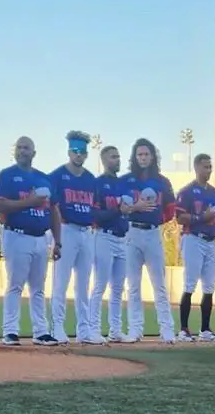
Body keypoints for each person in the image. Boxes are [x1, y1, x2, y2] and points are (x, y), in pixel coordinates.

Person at [0, 136, 61, 346]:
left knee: (38, 288)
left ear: (34, 153)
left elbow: (54, 211)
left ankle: (41, 331)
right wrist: (28, 202)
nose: (23, 151)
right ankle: (10, 331)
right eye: (20, 148)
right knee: (15, 285)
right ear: (15, 152)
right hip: (17, 234)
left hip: (41, 237)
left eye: (27, 148)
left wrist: (57, 241)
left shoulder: (44, 179)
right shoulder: (6, 176)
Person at [120, 138, 177, 344]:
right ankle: (135, 329)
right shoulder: (126, 180)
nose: (143, 158)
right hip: (132, 232)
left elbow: (171, 209)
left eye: (146, 154)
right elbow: (121, 207)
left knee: (159, 284)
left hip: (153, 233)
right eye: (139, 154)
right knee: (133, 285)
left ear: (152, 156)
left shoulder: (162, 181)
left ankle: (167, 329)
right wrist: (136, 207)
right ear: (135, 157)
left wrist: (158, 218)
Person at [48, 131, 97, 344]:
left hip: (86, 232)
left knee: (83, 284)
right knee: (61, 282)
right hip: (66, 229)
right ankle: (57, 326)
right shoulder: (57, 176)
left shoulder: (90, 179)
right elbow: (52, 206)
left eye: (83, 152)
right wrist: (55, 237)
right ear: (69, 152)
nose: (79, 155)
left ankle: (83, 329)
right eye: (76, 151)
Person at [175, 153, 215, 342]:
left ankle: (205, 329)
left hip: (211, 240)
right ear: (196, 168)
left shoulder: (214, 192)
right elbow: (179, 218)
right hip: (193, 238)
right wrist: (203, 216)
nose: (208, 170)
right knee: (190, 284)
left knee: (209, 286)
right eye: (205, 167)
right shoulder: (186, 191)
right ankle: (184, 329)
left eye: (210, 167)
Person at [85, 145, 129, 344]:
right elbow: (95, 215)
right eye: (113, 157)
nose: (117, 160)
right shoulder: (98, 183)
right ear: (104, 160)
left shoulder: (123, 184)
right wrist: (118, 210)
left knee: (118, 288)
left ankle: (115, 330)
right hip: (104, 236)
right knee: (100, 285)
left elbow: (127, 211)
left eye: (118, 156)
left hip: (122, 237)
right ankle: (93, 329)